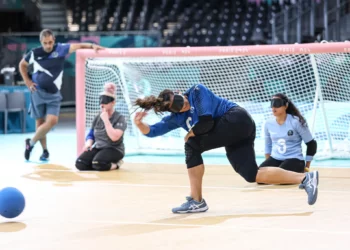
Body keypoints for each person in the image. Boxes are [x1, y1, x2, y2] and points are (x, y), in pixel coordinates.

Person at [133, 83, 319, 214]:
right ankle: (306, 178)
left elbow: (205, 122)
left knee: (191, 145)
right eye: (179, 108)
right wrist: (140, 124)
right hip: (235, 133)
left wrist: (191, 133)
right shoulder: (176, 118)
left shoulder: (197, 91)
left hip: (236, 118)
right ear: (173, 112)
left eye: (181, 100)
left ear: (180, 92)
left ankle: (196, 201)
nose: (185, 106)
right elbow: (152, 131)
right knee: (251, 174)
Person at [19, 29, 105, 161]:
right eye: (45, 43)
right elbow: (22, 65)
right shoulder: (35, 53)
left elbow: (80, 46)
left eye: (50, 42)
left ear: (54, 40)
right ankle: (45, 151)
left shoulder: (61, 49)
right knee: (40, 122)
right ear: (41, 42)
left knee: (52, 121)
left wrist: (92, 46)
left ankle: (30, 143)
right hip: (37, 91)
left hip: (54, 94)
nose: (48, 46)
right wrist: (27, 81)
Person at [260, 94, 317, 175]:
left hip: (294, 159)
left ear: (286, 106)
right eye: (272, 104)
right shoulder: (268, 123)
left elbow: (311, 144)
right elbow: (268, 145)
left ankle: (304, 175)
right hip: (276, 158)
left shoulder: (296, 122)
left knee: (279, 176)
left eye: (277, 104)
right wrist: (268, 167)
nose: (273, 107)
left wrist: (307, 167)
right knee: (259, 175)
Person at [75, 82, 127, 171]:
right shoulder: (97, 117)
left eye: (106, 101)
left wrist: (106, 120)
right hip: (99, 147)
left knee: (98, 163)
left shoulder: (120, 118)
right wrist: (88, 143)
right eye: (101, 101)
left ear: (113, 102)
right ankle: (99, 163)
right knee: (80, 163)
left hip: (114, 149)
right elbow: (91, 134)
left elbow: (114, 137)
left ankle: (117, 164)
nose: (102, 104)